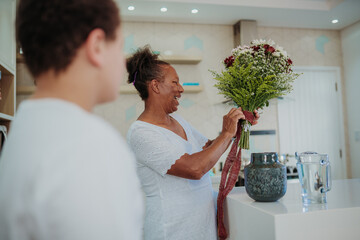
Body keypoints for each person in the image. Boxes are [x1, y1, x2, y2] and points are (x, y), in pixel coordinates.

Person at [0, 0, 143, 239]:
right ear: (96, 46)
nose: (122, 62)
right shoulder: (90, 147)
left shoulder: (24, 128)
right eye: (120, 47)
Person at [126, 46, 259, 240]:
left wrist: (236, 128)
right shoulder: (141, 133)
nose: (181, 89)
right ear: (155, 86)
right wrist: (226, 133)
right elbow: (195, 168)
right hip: (171, 231)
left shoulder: (179, 121)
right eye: (175, 82)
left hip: (201, 228)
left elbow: (208, 149)